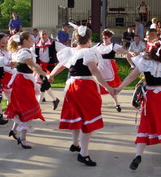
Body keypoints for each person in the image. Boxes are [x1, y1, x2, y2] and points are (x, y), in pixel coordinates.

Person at [115, 38, 161, 170]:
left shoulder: (145, 61)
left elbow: (131, 77)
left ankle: (138, 155)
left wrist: (118, 89)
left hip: (152, 98)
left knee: (146, 125)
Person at [48, 26, 114, 166]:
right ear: (89, 39)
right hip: (84, 87)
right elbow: (94, 70)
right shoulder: (88, 52)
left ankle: (75, 144)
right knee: (87, 120)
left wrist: (51, 75)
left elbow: (61, 65)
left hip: (71, 86)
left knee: (77, 115)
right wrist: (108, 87)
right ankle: (84, 154)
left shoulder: (72, 51)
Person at [5, 32, 47, 149]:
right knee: (28, 108)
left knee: (22, 108)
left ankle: (14, 131)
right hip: (23, 82)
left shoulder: (22, 51)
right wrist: (45, 75)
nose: (33, 41)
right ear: (25, 41)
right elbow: (32, 66)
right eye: (31, 39)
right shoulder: (24, 52)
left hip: (23, 81)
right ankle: (22, 139)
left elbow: (31, 66)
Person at [95, 29, 133, 112]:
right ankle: (97, 104)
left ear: (110, 37)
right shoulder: (98, 45)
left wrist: (131, 54)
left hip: (108, 68)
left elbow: (124, 52)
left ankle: (117, 103)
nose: (104, 39)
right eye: (103, 38)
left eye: (106, 38)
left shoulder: (113, 46)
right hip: (99, 67)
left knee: (111, 87)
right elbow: (89, 51)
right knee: (97, 86)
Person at [33, 29, 65, 109]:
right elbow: (32, 55)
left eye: (45, 34)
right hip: (40, 67)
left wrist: (61, 59)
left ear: (48, 35)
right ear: (39, 36)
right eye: (42, 34)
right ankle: (53, 100)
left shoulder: (54, 44)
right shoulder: (36, 45)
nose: (44, 36)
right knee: (43, 85)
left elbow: (65, 50)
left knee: (44, 83)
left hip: (50, 66)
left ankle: (38, 106)